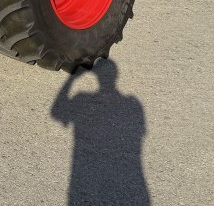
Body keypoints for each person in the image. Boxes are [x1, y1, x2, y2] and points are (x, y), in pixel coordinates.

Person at [51, 59, 150, 205]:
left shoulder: (82, 99)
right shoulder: (133, 104)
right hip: (130, 174)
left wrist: (71, 80)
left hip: (84, 172)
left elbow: (57, 113)